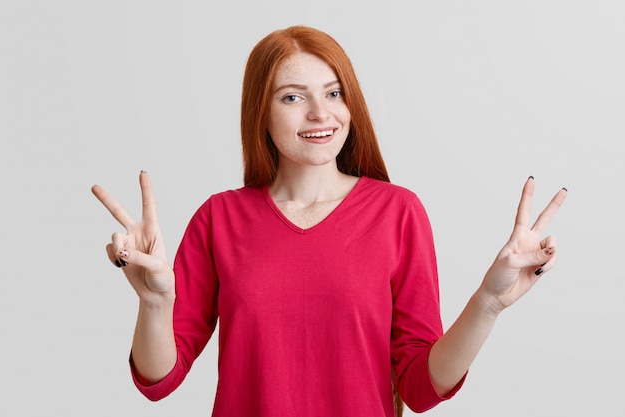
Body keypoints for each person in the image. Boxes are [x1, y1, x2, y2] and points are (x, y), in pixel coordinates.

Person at [91, 25, 567, 417]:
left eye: (334, 93)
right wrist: (154, 303)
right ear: (261, 113)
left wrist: (488, 303)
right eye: (293, 98)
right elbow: (158, 380)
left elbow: (421, 389)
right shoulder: (220, 219)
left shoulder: (397, 213)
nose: (321, 113)